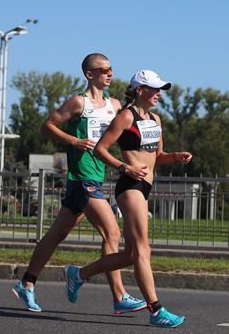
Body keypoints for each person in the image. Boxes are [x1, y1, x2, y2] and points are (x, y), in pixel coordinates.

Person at [11, 53, 146, 314]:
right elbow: (47, 126)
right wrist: (74, 141)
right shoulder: (78, 103)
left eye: (111, 69)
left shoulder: (114, 104)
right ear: (89, 74)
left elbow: (127, 128)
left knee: (56, 234)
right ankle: (118, 296)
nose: (110, 73)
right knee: (112, 234)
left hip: (95, 176)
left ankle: (27, 282)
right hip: (82, 178)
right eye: (104, 69)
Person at [64, 70, 192, 328]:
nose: (158, 93)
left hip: (145, 186)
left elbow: (158, 156)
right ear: (139, 90)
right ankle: (156, 310)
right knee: (144, 250)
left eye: (160, 89)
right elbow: (100, 149)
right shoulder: (125, 116)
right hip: (130, 185)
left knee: (131, 255)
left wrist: (175, 156)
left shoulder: (155, 119)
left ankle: (78, 274)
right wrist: (124, 167)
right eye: (154, 89)